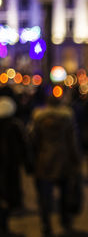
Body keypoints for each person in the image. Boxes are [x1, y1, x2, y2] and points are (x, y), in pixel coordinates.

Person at [30, 94, 82, 237]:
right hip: (64, 161)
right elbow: (72, 142)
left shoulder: (38, 119)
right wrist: (76, 161)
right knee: (65, 194)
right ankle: (66, 223)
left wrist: (32, 162)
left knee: (44, 198)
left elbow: (34, 142)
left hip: (44, 161)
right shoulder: (67, 119)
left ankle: (46, 226)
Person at [0, 96, 27, 236]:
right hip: (11, 168)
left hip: (9, 167)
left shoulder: (15, 126)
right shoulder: (15, 125)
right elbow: (23, 147)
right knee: (8, 197)